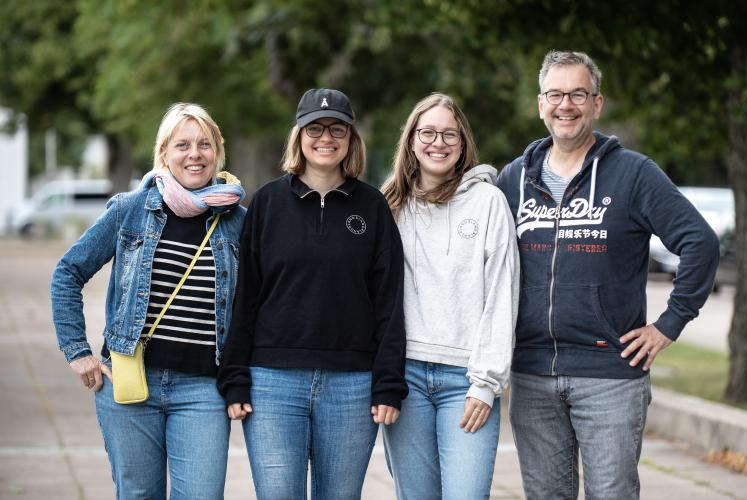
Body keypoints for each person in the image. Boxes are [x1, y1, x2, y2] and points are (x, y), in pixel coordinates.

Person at [496, 51, 720, 499]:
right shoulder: (513, 179)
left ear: (597, 104)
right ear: (540, 104)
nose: (566, 105)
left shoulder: (633, 173)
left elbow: (700, 243)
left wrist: (668, 325)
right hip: (532, 374)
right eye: (556, 95)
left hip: (610, 376)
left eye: (578, 94)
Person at [217, 88, 407, 500]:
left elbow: (389, 302)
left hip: (352, 385)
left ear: (351, 138)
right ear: (298, 136)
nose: (326, 137)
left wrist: (388, 382)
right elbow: (244, 296)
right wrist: (234, 378)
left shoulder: (372, 207)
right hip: (272, 381)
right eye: (315, 128)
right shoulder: (267, 203)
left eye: (337, 128)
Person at [51, 103, 246, 499]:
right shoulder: (131, 209)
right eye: (182, 145)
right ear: (164, 154)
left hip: (205, 389)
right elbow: (67, 273)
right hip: (129, 383)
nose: (195, 154)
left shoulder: (239, 220)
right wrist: (77, 351)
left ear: (217, 153)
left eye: (204, 144)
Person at [380, 93, 519, 499]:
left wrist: (486, 382)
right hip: (406, 378)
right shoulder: (390, 204)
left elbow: (502, 292)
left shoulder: (488, 202)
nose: (437, 143)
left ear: (462, 145)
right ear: (411, 140)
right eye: (427, 132)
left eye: (448, 135)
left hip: (466, 380)